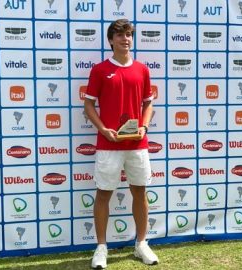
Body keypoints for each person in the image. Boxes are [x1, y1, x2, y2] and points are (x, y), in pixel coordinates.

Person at [84, 19, 159, 269]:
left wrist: (144, 127)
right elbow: (88, 106)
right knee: (104, 193)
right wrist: (103, 129)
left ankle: (141, 244)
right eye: (119, 35)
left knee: (139, 191)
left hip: (137, 143)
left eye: (128, 35)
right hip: (109, 144)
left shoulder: (142, 70)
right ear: (110, 40)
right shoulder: (99, 69)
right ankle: (101, 248)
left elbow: (149, 103)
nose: (125, 39)